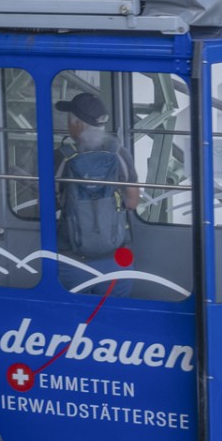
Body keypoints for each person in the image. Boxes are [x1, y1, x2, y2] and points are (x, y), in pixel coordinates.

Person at [54, 91, 139, 293]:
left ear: (77, 124)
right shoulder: (119, 153)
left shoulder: (61, 156)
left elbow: (44, 207)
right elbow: (133, 202)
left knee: (75, 321)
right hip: (118, 258)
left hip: (72, 259)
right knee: (114, 319)